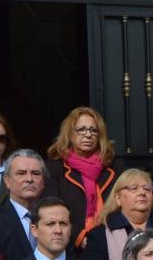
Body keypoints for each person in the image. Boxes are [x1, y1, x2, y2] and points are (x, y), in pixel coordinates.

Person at [43, 106, 118, 248]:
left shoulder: (113, 166)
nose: (88, 135)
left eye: (93, 130)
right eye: (81, 129)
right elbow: (52, 209)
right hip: (70, 244)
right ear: (70, 134)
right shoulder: (55, 167)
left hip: (109, 240)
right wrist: (80, 237)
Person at [0, 148, 47, 260]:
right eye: (21, 173)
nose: (29, 179)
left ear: (43, 182)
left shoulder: (56, 219)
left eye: (36, 173)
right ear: (7, 181)